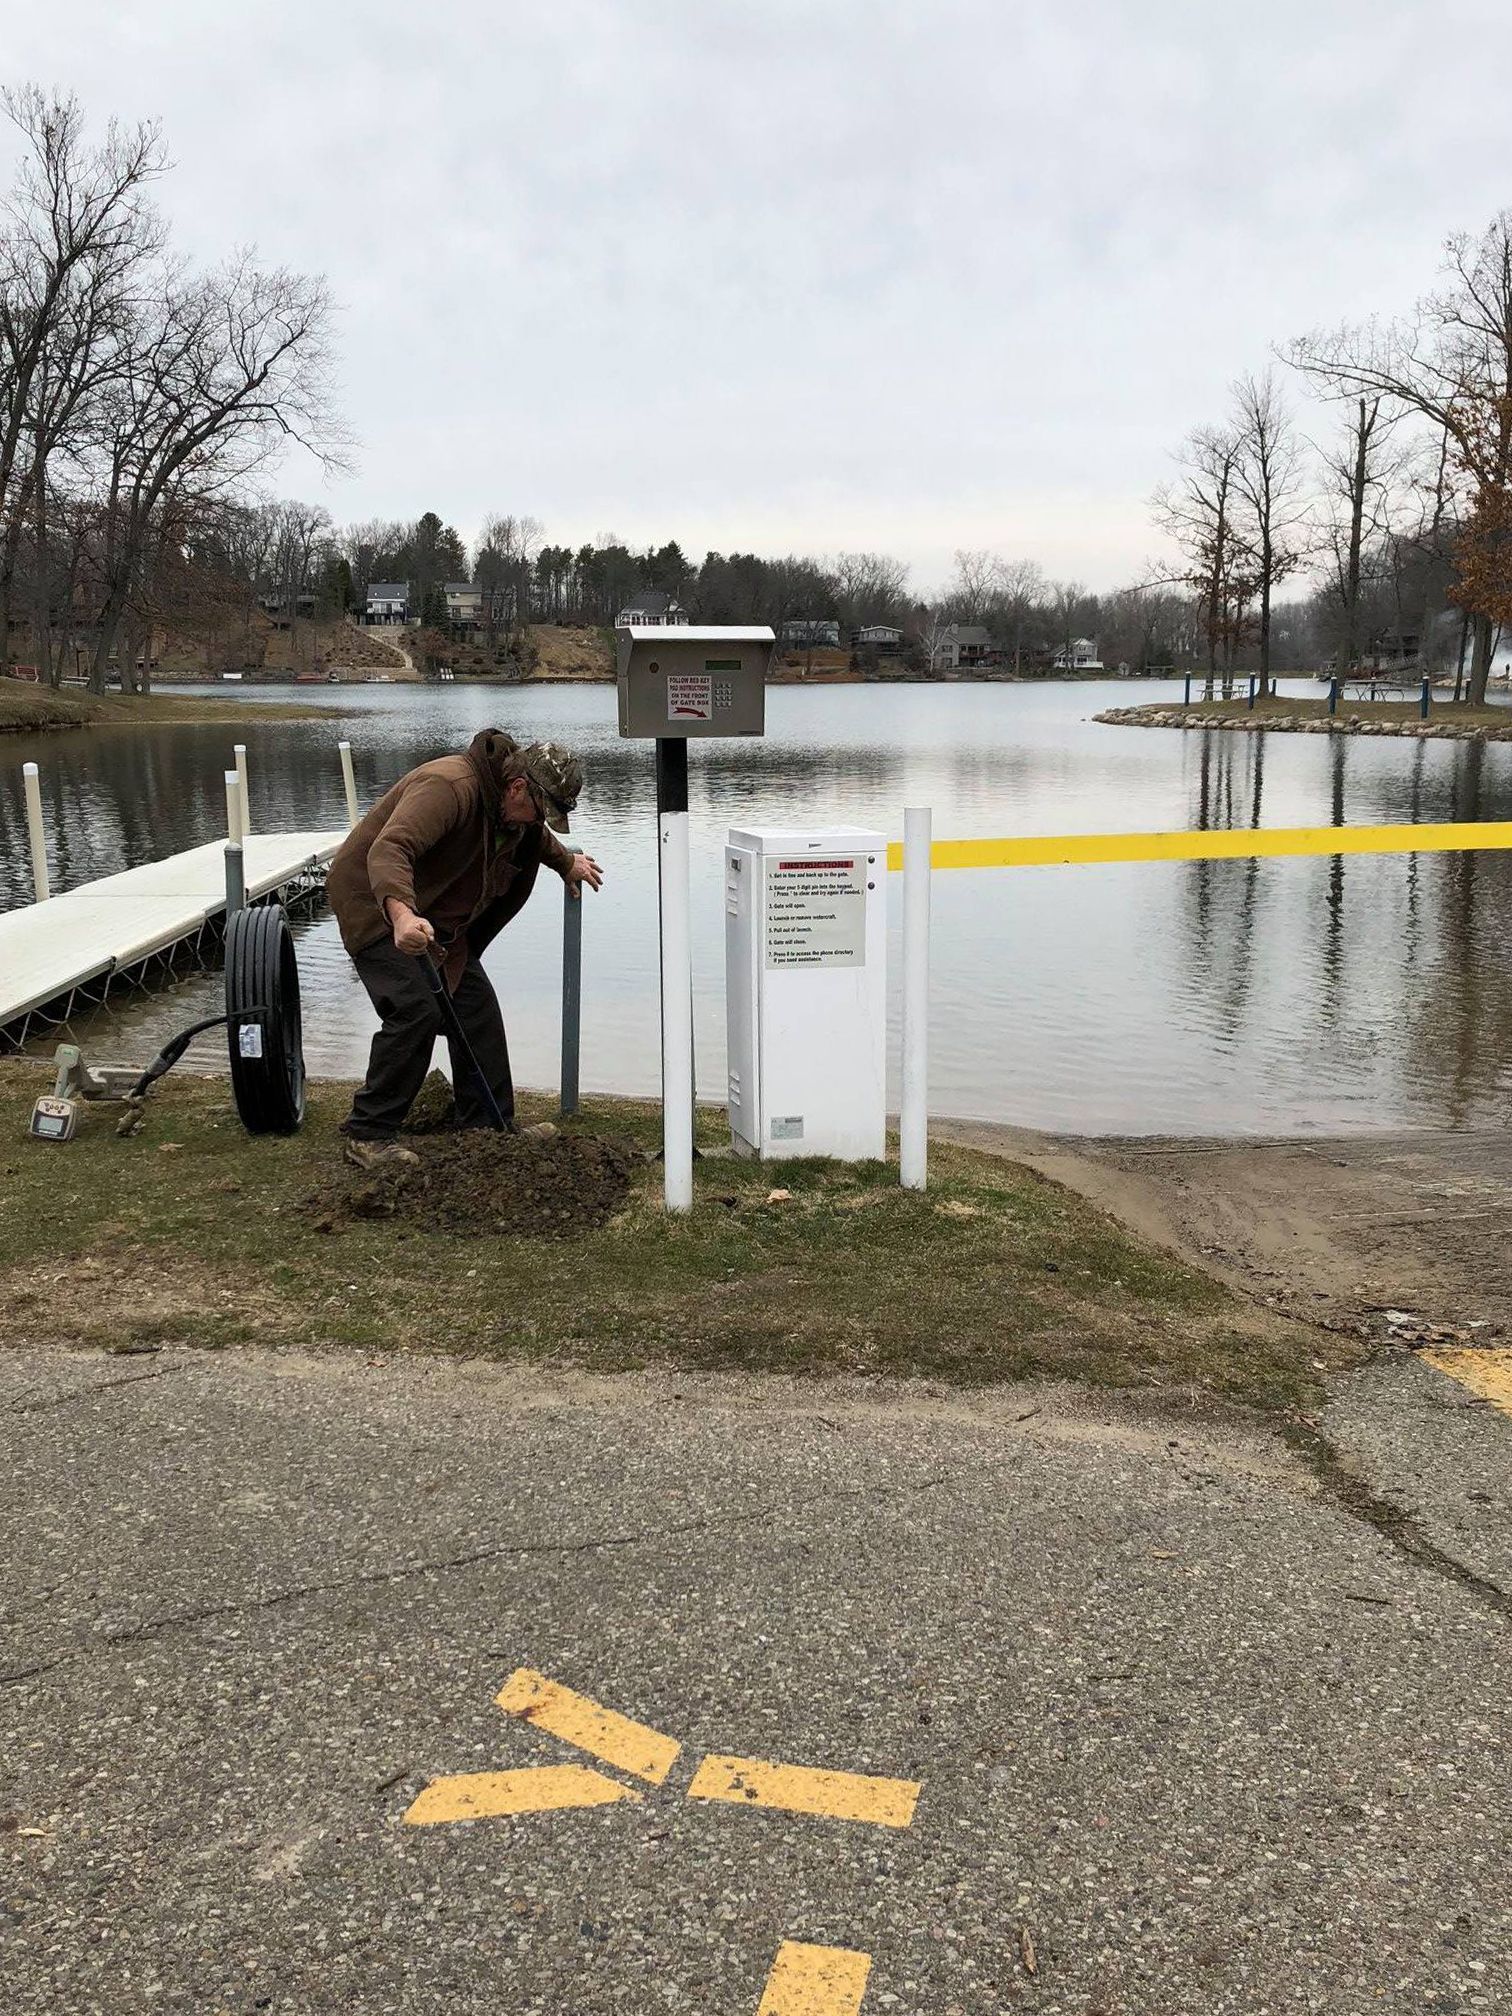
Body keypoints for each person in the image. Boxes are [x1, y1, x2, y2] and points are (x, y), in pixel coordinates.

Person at [326, 728, 602, 1168]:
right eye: (538, 810)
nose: (537, 821)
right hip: (374, 903)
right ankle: (369, 1133)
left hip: (435, 920)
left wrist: (566, 862)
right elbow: (390, 849)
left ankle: (486, 1129)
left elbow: (535, 836)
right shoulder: (449, 787)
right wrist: (400, 916)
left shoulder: (511, 808)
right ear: (517, 787)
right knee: (416, 1007)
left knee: (476, 1009)